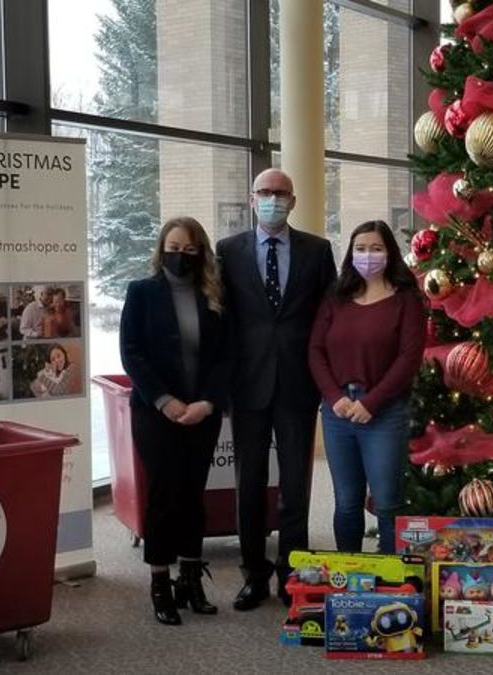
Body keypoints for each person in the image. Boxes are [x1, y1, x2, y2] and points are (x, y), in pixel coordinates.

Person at [216, 169, 337, 610]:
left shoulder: (318, 251)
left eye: (280, 193)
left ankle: (293, 570)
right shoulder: (228, 251)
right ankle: (253, 574)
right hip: (247, 386)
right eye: (265, 193)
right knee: (248, 483)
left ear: (293, 200)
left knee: (295, 485)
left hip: (297, 385)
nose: (272, 199)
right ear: (252, 200)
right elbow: (222, 320)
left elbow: (330, 317)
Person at [120, 216, 230, 626]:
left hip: (203, 412)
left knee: (192, 496)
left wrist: (207, 402)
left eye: (188, 249)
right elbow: (132, 352)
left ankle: (190, 578)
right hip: (156, 414)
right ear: (160, 248)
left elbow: (224, 358)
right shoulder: (142, 292)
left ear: (200, 252)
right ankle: (160, 583)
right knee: (165, 496)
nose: (179, 256)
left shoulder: (215, 296)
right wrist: (165, 401)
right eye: (173, 247)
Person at [309, 221, 424, 554]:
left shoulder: (406, 300)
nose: (367, 255)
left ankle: (389, 579)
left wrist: (371, 402)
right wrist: (334, 397)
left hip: (385, 413)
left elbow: (408, 358)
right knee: (346, 502)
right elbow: (315, 350)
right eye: (360, 248)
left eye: (376, 248)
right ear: (350, 253)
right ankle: (349, 574)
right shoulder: (336, 296)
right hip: (338, 412)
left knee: (387, 502)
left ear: (390, 252)